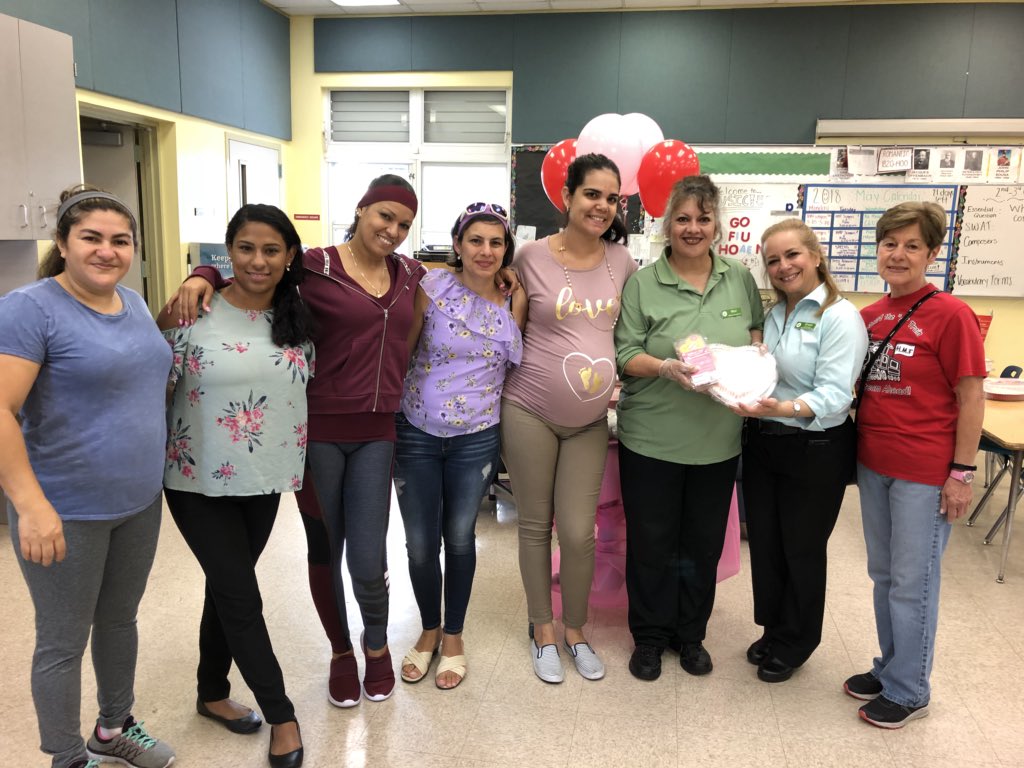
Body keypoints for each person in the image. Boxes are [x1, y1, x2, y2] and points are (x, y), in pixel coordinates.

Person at [169, 175, 426, 707]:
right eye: (384, 216)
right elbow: (258, 267)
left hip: (378, 431)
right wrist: (203, 272)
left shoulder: (411, 273)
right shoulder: (313, 265)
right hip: (318, 433)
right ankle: (340, 651)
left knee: (369, 554)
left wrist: (509, 274)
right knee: (325, 548)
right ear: (360, 210)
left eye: (403, 223)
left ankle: (375, 645)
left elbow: (453, 294)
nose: (393, 229)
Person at [0, 186, 174, 768]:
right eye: (91, 238)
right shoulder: (31, 308)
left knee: (120, 620)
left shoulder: (134, 303)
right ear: (63, 244)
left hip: (138, 501)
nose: (107, 251)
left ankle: (113, 726)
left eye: (119, 240)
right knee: (62, 640)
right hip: (65, 507)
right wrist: (31, 505)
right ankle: (67, 755)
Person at [158, 205, 313, 767]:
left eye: (272, 249)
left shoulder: (300, 313)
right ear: (229, 252)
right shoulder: (189, 309)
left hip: (266, 476)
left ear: (289, 256)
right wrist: (203, 276)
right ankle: (282, 715)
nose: (258, 260)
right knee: (241, 593)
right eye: (245, 248)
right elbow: (143, 371)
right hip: (194, 476)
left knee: (228, 584)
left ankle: (212, 692)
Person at [614, 175, 764, 682]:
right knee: (652, 544)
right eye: (683, 218)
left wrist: (753, 365)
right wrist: (665, 369)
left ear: (716, 224)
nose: (693, 228)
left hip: (717, 443)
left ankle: (690, 634)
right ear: (667, 224)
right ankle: (650, 638)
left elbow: (755, 335)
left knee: (700, 545)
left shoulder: (738, 277)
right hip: (652, 439)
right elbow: (625, 354)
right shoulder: (642, 282)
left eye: (703, 218)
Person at [844, 201, 984, 728]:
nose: (898, 255)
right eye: (889, 244)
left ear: (931, 253)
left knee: (914, 580)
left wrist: (961, 473)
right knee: (883, 574)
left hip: (925, 472)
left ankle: (909, 689)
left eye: (911, 246)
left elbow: (971, 397)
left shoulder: (951, 315)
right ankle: (890, 666)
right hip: (874, 463)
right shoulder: (869, 316)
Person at [501, 153, 637, 684]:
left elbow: (630, 333)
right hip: (529, 409)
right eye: (592, 194)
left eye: (611, 197)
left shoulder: (622, 262)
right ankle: (542, 629)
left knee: (580, 532)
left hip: (588, 420)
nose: (601, 206)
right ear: (568, 196)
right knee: (536, 526)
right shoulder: (530, 255)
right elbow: (493, 304)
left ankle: (575, 629)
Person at [731, 219, 867, 684]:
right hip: (766, 440)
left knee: (802, 548)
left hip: (816, 445)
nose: (783, 266)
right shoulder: (774, 313)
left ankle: (798, 640)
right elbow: (762, 367)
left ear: (815, 256)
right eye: (773, 260)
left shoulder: (839, 315)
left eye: (792, 255)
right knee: (767, 544)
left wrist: (784, 407)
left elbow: (836, 394)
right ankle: (774, 628)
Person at [395, 204, 525, 690]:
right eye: (476, 241)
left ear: (505, 249)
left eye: (496, 242)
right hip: (416, 431)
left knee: (461, 537)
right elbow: (404, 352)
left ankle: (454, 636)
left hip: (477, 437)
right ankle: (428, 630)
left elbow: (514, 367)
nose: (486, 251)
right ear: (457, 244)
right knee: (420, 542)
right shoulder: (430, 289)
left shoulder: (516, 299)